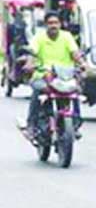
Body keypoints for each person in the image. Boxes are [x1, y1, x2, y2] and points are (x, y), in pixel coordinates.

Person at [21, 12, 85, 140]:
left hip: (65, 77)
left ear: (60, 24)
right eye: (50, 23)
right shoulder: (39, 38)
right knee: (37, 92)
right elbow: (32, 53)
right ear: (46, 25)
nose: (53, 25)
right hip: (43, 76)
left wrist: (83, 64)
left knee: (76, 91)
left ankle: (75, 124)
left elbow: (75, 53)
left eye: (56, 23)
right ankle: (31, 125)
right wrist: (29, 64)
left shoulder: (67, 37)